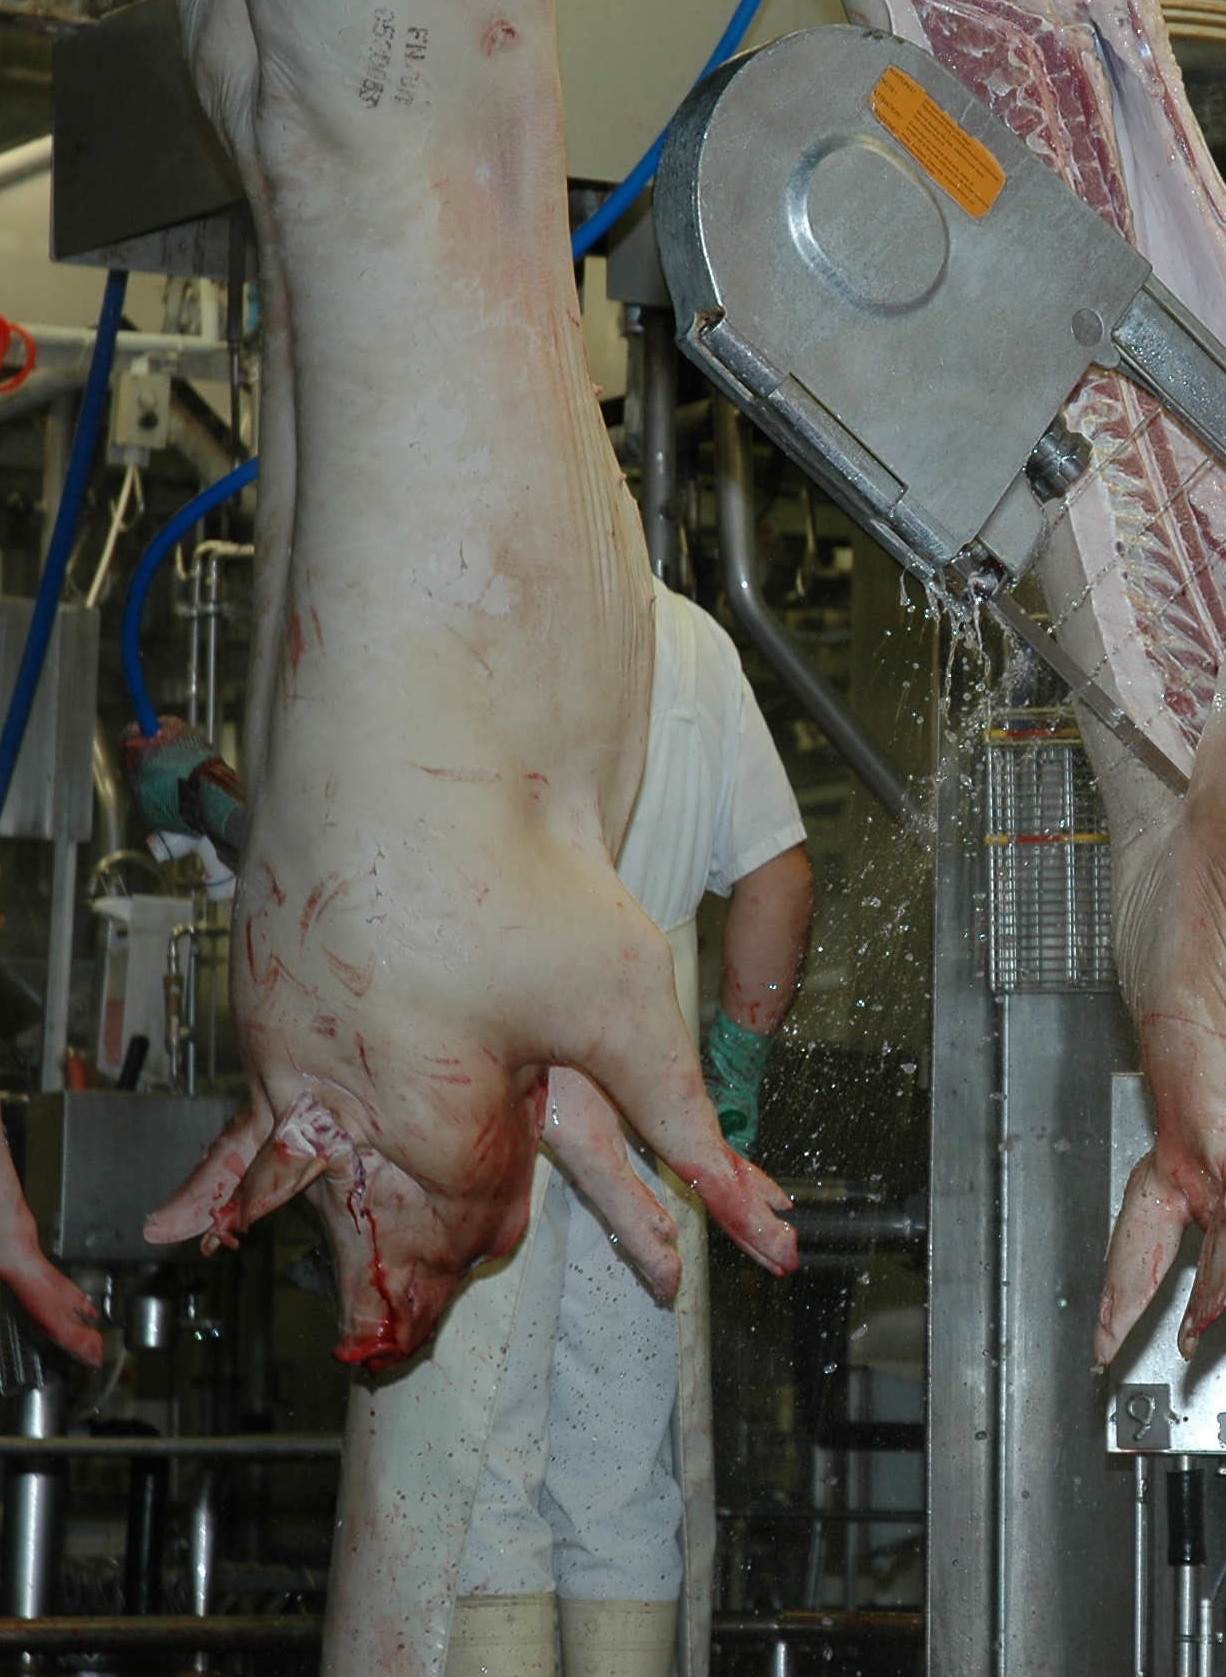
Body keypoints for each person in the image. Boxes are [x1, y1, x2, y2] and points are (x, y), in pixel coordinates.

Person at [329, 586, 814, 1677]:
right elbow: (777, 876)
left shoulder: (455, 621)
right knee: (618, 1477)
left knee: (478, 1470)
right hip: (650, 1105)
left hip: (476, 1091)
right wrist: (724, 1090)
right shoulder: (684, 637)